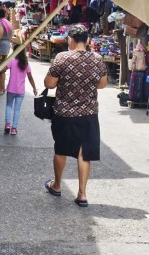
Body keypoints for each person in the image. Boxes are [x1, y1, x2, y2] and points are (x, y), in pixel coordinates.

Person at [43, 25, 107, 207]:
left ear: (70, 40)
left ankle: (56, 186)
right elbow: (102, 85)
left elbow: (49, 84)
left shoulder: (62, 58)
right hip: (89, 113)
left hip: (64, 112)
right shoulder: (97, 59)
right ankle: (82, 194)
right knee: (84, 153)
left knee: (61, 150)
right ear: (87, 40)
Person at [0, 49, 38, 135]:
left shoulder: (12, 62)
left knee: (9, 106)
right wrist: (34, 88)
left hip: (11, 89)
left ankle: (8, 124)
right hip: (21, 91)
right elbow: (30, 77)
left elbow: (1, 70)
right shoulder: (26, 64)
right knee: (17, 110)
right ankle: (14, 129)